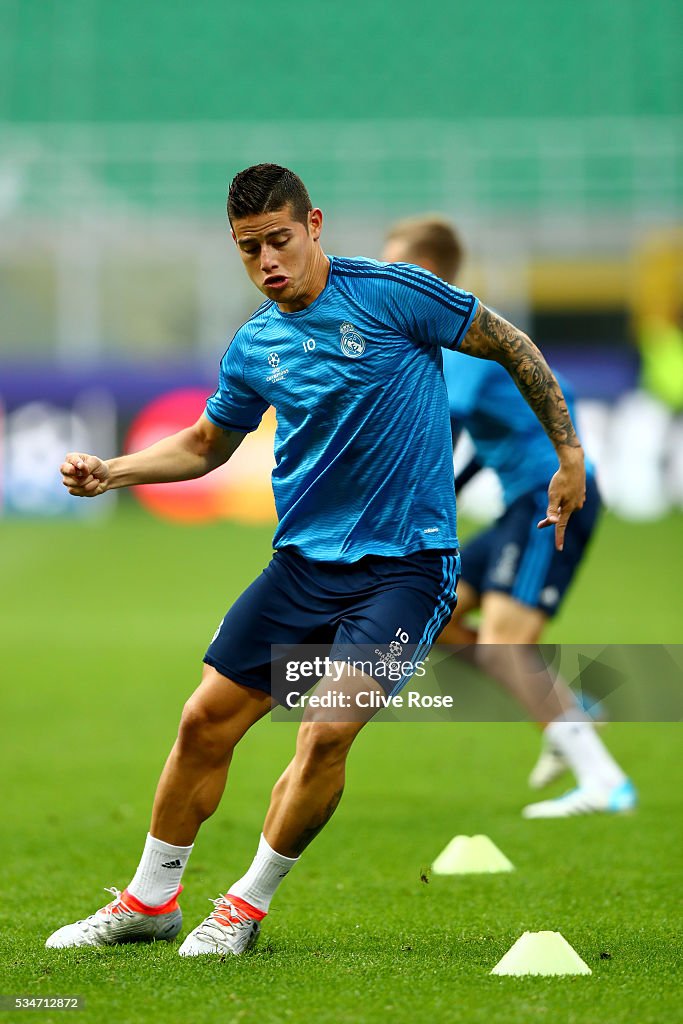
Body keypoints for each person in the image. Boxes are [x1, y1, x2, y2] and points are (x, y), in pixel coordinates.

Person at [48, 164, 585, 958]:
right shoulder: (255, 345)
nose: (267, 261)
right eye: (247, 249)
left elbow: (508, 343)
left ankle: (244, 906)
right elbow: (204, 445)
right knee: (202, 723)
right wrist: (114, 472)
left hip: (407, 569)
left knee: (324, 731)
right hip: (302, 566)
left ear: (314, 226)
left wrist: (566, 453)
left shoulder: (396, 294)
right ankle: (149, 900)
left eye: (278, 240)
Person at [383, 215, 636, 817]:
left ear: (422, 272)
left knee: (502, 648)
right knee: (433, 611)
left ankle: (605, 783)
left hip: (550, 502)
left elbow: (448, 427)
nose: (383, 278)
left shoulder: (458, 326)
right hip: (520, 501)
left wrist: (414, 499)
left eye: (394, 267)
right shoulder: (458, 334)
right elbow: (472, 441)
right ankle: (566, 711)